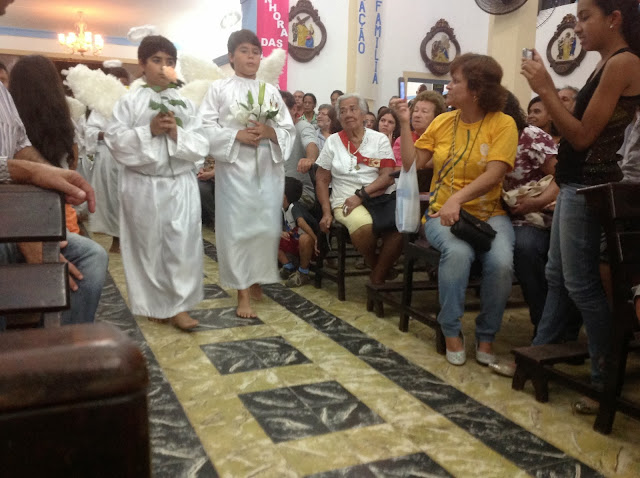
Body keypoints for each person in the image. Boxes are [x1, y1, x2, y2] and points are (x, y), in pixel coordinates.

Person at [521, 0, 640, 412]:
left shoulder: (623, 63)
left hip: (590, 185)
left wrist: (545, 90)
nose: (577, 26)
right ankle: (539, 353)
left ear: (614, 19)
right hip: (575, 183)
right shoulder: (605, 63)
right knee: (557, 275)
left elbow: (583, 136)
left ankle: (604, 379)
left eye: (586, 16)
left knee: (582, 285)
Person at [392, 53, 519, 366]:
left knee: (502, 263)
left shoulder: (503, 123)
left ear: (475, 89)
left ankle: (486, 336)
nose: (447, 86)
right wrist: (405, 124)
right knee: (459, 253)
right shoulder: (443, 122)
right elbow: (411, 164)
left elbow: (495, 173)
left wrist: (458, 199)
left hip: (489, 214)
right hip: (441, 213)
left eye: (455, 81)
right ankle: (450, 330)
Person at [104, 35, 208, 331]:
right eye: (156, 60)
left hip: (180, 184)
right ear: (142, 64)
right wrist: (147, 131)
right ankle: (155, 303)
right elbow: (115, 140)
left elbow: (202, 143)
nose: (164, 67)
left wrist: (177, 134)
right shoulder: (129, 102)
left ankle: (179, 306)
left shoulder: (185, 103)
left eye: (170, 62)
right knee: (147, 247)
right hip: (143, 184)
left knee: (182, 245)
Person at [199, 29, 295, 318]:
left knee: (264, 228)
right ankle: (242, 292)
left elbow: (287, 129)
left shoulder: (271, 91)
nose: (251, 57)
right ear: (231, 56)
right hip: (234, 170)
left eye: (256, 52)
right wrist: (236, 135)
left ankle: (256, 278)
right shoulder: (219, 89)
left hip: (267, 168)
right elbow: (204, 128)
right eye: (244, 51)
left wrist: (269, 132)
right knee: (238, 228)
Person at [0, 66, 107, 327]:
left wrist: (54, 174)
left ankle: (61, 342)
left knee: (91, 256)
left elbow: (20, 145)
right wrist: (28, 239)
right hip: (11, 222)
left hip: (21, 216)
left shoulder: (3, 95)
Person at [316, 93, 403, 284]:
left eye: (353, 109)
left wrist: (362, 195)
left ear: (364, 114)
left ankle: (377, 276)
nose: (348, 114)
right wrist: (326, 212)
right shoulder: (333, 141)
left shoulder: (379, 139)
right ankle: (378, 269)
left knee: (402, 226)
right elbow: (322, 179)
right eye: (343, 111)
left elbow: (387, 175)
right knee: (363, 228)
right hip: (345, 199)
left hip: (378, 195)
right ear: (339, 117)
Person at [85, 65, 131, 253]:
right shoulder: (100, 106)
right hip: (108, 156)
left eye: (124, 84)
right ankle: (116, 240)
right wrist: (108, 135)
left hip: (129, 157)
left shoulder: (132, 104)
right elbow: (89, 130)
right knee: (112, 200)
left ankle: (131, 240)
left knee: (128, 199)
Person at [279, 177, 320, 287]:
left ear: (283, 196)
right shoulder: (283, 209)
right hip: (296, 242)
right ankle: (288, 267)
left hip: (312, 247)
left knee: (305, 238)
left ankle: (303, 272)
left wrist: (316, 239)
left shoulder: (295, 207)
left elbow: (301, 223)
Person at [280, 90, 318, 209]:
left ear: (294, 109)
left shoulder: (304, 127)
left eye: (281, 109)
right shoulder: (273, 131)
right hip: (276, 189)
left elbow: (311, 143)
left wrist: (310, 159)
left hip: (301, 193)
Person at [393, 90, 446, 165]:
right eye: (416, 110)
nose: (417, 115)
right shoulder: (403, 140)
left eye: (424, 111)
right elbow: (402, 168)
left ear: (436, 117)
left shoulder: (443, 139)